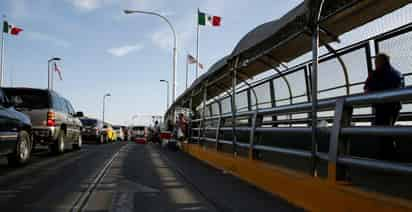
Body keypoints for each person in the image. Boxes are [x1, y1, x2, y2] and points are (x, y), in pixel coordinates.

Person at [364, 53, 403, 160]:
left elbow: (367, 90)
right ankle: (390, 157)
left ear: (380, 62)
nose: (375, 64)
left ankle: (387, 159)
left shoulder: (376, 74)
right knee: (387, 133)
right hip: (395, 107)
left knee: (383, 134)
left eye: (376, 61)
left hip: (383, 108)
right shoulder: (397, 74)